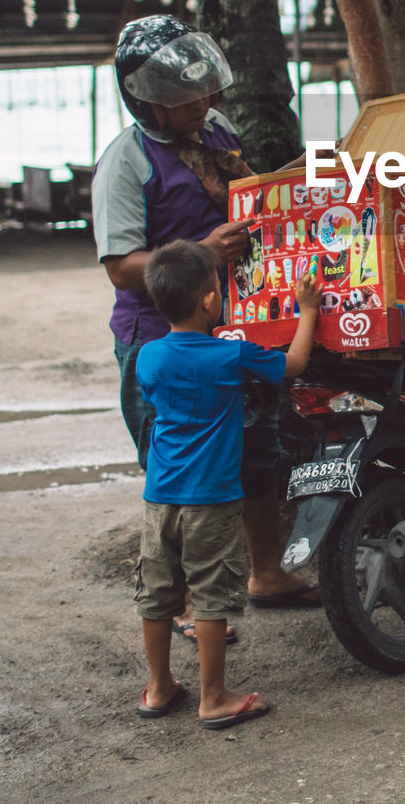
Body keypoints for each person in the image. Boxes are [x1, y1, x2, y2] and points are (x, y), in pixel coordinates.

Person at [92, 14, 319, 620]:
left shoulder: (216, 128)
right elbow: (119, 266)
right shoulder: (125, 162)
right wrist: (202, 255)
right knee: (182, 469)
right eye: (188, 99)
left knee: (256, 449)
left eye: (207, 91)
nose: (208, 103)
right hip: (160, 338)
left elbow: (248, 189)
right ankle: (190, 603)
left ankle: (266, 575)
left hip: (229, 324)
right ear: (151, 106)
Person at [134, 239, 322, 727]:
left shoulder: (149, 358)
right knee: (211, 597)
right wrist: (306, 310)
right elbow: (293, 366)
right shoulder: (230, 357)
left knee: (158, 594)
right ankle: (213, 697)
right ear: (209, 302)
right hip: (212, 501)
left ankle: (158, 689)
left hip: (158, 501)